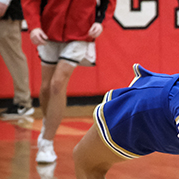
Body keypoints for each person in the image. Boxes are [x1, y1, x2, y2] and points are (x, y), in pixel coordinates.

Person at [21, 0, 113, 164]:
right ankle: (49, 122)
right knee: (46, 87)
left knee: (57, 83)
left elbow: (109, 2)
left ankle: (47, 143)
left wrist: (100, 22)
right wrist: (34, 26)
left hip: (81, 32)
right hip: (48, 29)